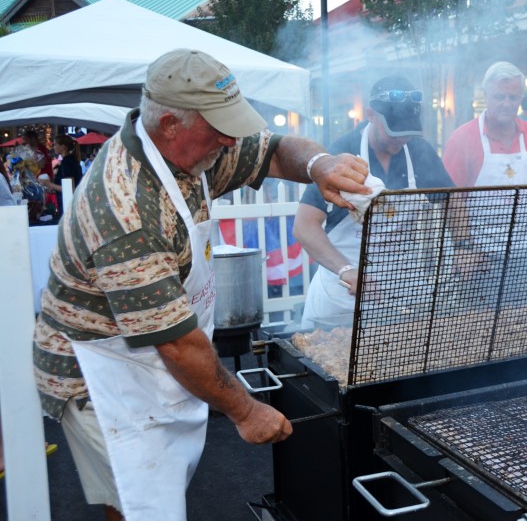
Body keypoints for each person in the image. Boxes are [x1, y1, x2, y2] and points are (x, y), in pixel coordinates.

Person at [32, 48, 370, 520]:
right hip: (102, 368)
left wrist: (320, 165)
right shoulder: (126, 209)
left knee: (163, 482)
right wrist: (247, 411)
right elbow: (178, 347)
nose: (231, 141)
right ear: (170, 124)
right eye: (219, 129)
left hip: (158, 347)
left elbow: (273, 150)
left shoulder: (196, 150)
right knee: (139, 499)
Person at [293, 75, 459, 329]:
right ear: (371, 115)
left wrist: (464, 245)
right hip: (343, 298)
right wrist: (346, 270)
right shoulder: (342, 152)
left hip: (404, 290)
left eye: (407, 132)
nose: (402, 138)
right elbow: (305, 226)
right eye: (394, 131)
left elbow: (452, 200)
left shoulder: (419, 151)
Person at [443, 61, 527, 187]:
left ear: (521, 99)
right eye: (499, 97)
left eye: (513, 98)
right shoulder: (461, 138)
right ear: (486, 96)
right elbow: (450, 198)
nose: (506, 104)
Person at [39, 134, 83, 216]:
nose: (53, 147)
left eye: (55, 144)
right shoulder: (71, 160)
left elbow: (69, 188)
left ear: (63, 147)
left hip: (68, 206)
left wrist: (49, 184)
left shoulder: (67, 162)